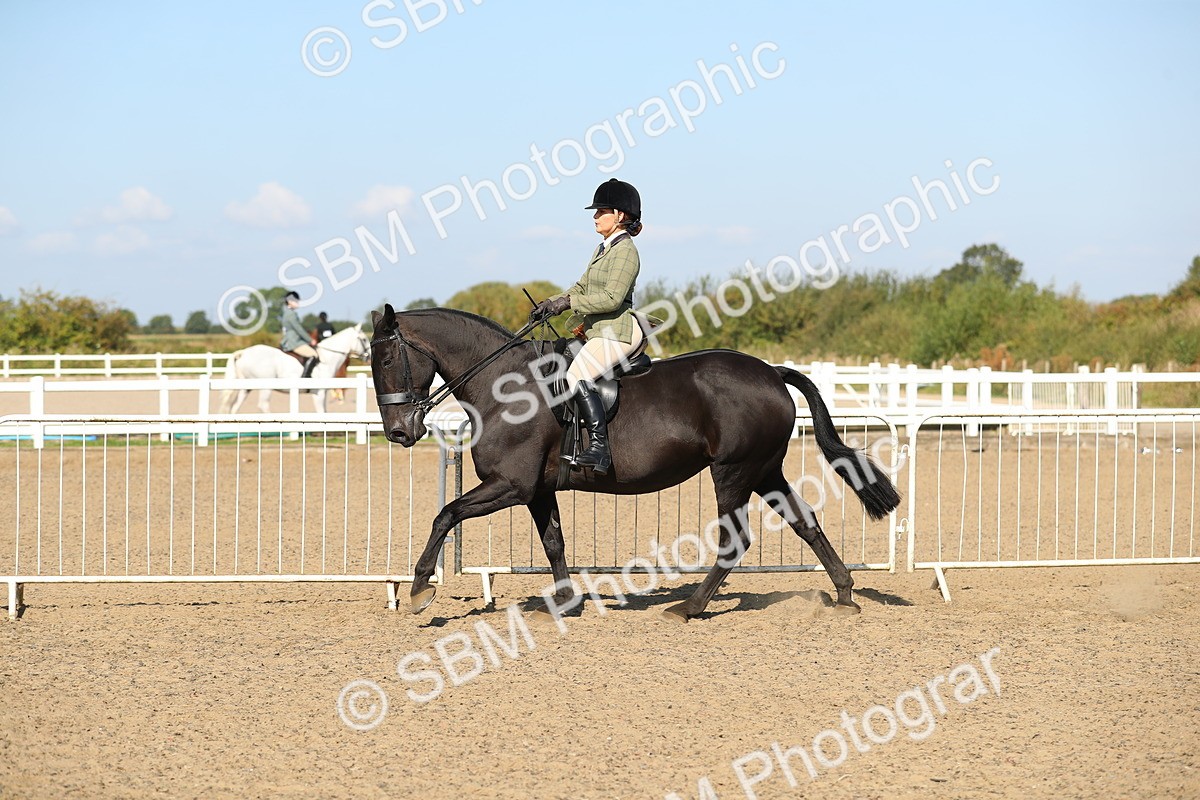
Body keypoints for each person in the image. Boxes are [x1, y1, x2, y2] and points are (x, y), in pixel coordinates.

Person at [528, 178, 656, 475]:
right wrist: (552, 303)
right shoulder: (603, 249)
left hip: (618, 330)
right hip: (599, 330)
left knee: (577, 375)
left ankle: (599, 448)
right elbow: (581, 286)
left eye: (601, 211)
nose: (595, 217)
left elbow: (612, 298)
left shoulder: (625, 251)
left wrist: (569, 304)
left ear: (620, 216)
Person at [280, 291, 319, 378]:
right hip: (294, 341)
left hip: (290, 339)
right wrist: (310, 340)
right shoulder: (291, 314)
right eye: (296, 301)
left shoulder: (287, 312)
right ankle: (305, 378)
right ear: (290, 301)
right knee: (314, 354)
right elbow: (299, 329)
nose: (298, 303)